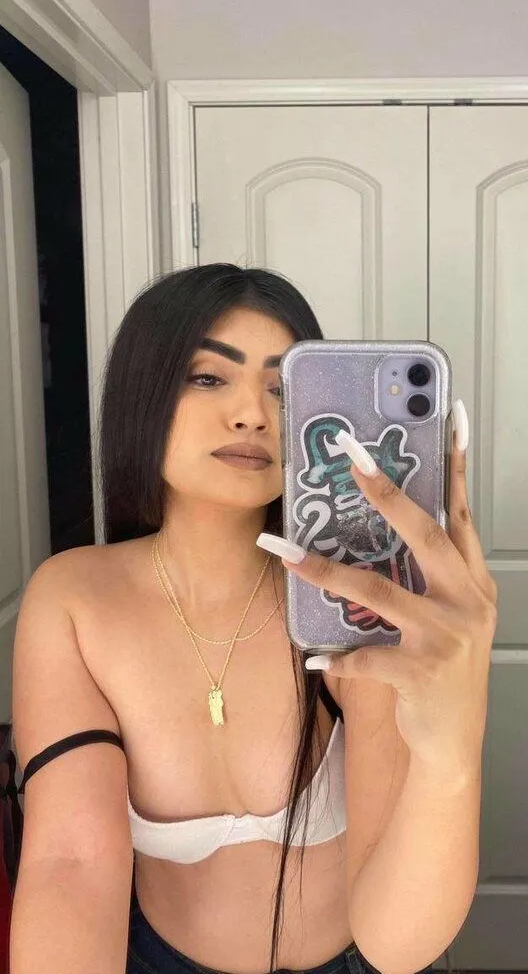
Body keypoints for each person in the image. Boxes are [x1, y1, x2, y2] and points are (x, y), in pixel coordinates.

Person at [8, 264, 497, 974]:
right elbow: (70, 865)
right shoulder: (76, 599)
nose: (252, 415)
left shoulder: (354, 603)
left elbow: (399, 945)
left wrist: (453, 751)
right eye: (209, 377)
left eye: (282, 387)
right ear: (144, 390)